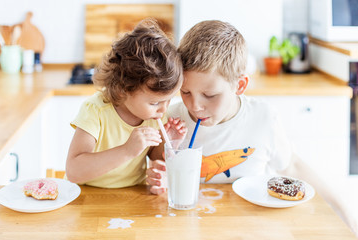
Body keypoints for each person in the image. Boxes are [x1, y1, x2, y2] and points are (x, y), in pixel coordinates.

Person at [145, 20, 355, 235]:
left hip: (250, 229)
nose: (195, 106)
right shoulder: (172, 118)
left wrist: (343, 210)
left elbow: (291, 166)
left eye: (210, 95)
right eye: (185, 92)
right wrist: (158, 175)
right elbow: (154, 165)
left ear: (240, 86)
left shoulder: (263, 118)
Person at [65, 19, 186, 188]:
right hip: (88, 199)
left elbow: (154, 156)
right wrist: (126, 151)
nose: (163, 109)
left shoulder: (153, 114)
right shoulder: (95, 111)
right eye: (154, 102)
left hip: (133, 197)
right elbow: (73, 171)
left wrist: (169, 143)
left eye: (169, 100)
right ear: (123, 89)